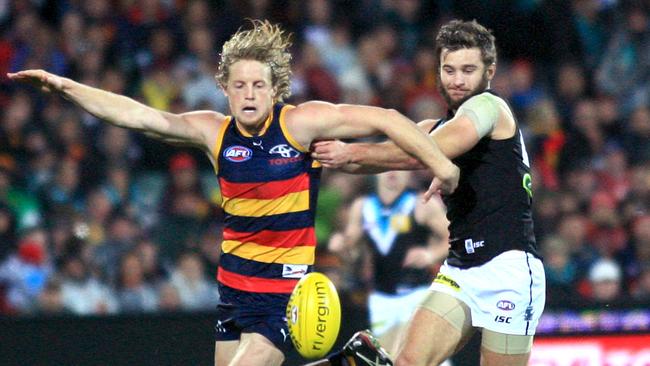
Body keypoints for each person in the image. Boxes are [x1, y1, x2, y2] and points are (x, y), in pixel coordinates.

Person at [8, 20, 458, 366]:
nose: (248, 93)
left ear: (275, 88)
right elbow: (138, 116)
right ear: (223, 88)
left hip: (284, 291)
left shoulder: (300, 123)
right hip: (233, 289)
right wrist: (66, 87)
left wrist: (441, 165)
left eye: (258, 84)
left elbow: (388, 118)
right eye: (239, 85)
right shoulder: (213, 132)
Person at [310, 19, 546, 366]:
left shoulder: (489, 108)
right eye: (449, 70)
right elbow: (383, 158)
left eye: (468, 70)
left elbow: (428, 149)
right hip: (461, 270)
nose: (457, 80)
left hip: (509, 270)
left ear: (489, 72)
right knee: (406, 362)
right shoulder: (430, 128)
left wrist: (351, 152)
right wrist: (321, 152)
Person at [328, 170, 449, 355]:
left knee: (419, 356)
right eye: (385, 166)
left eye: (399, 166)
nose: (392, 171)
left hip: (417, 295)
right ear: (375, 171)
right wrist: (341, 246)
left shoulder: (421, 203)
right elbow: (352, 252)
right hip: (380, 299)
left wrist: (430, 254)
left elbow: (453, 237)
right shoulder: (363, 207)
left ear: (410, 173)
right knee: (390, 358)